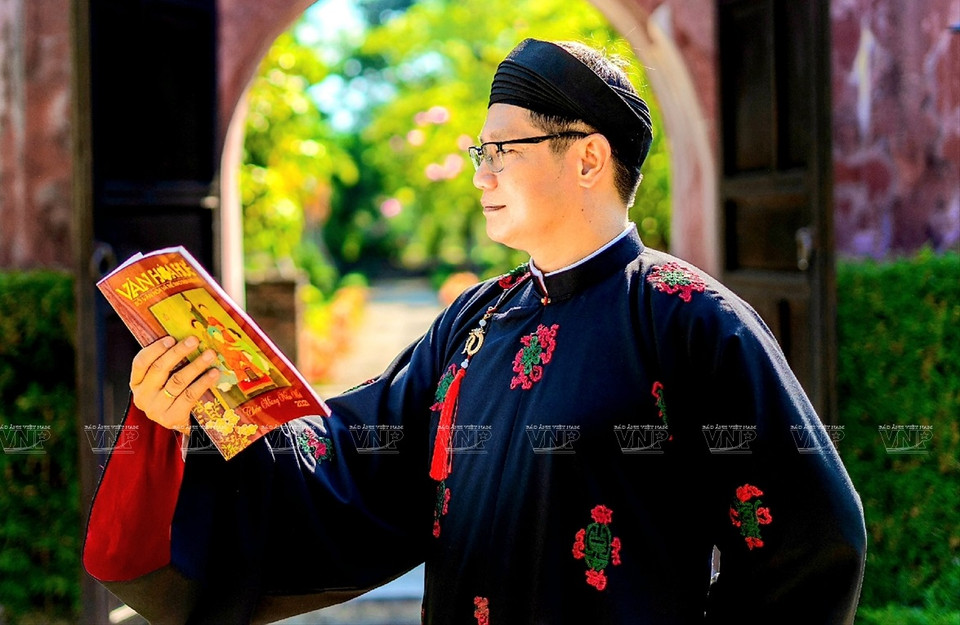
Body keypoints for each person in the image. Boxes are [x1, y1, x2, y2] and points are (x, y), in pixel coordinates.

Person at [83, 38, 867, 623]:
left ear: (588, 158)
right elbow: (359, 458)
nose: (479, 172)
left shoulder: (690, 318)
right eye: (477, 151)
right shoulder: (476, 319)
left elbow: (813, 542)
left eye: (501, 149)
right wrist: (192, 410)